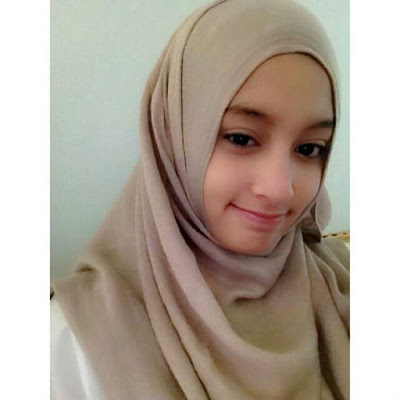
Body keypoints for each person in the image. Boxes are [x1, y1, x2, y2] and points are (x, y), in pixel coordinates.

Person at [51, 0, 350, 399]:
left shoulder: (342, 286)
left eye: (310, 149)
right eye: (241, 138)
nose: (281, 189)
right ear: (173, 138)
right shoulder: (72, 345)